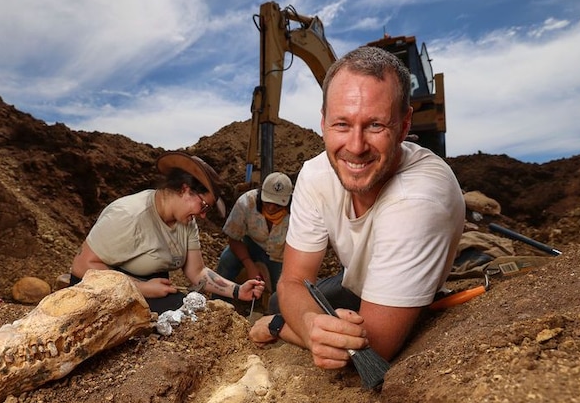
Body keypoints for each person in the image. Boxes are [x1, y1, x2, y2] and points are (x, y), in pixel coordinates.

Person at [249, 46, 464, 370]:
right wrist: (310, 326)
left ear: (405, 125)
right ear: (323, 122)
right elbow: (292, 281)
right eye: (342, 125)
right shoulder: (316, 173)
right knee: (282, 300)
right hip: (358, 283)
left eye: (375, 125)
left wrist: (282, 327)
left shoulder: (416, 199)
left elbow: (371, 355)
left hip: (403, 297)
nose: (356, 146)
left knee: (284, 314)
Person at [70, 151, 265, 313]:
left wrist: (238, 291)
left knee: (188, 311)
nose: (203, 216)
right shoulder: (128, 214)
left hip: (148, 285)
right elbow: (82, 266)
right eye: (204, 206)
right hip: (101, 290)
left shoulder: (186, 222)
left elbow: (197, 272)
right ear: (185, 190)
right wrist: (142, 288)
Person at [215, 171, 293, 301]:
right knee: (226, 261)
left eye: (278, 204)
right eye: (267, 202)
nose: (272, 208)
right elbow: (233, 238)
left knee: (282, 291)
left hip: (281, 255)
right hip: (251, 245)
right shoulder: (246, 203)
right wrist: (249, 265)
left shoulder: (299, 211)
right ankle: (219, 304)